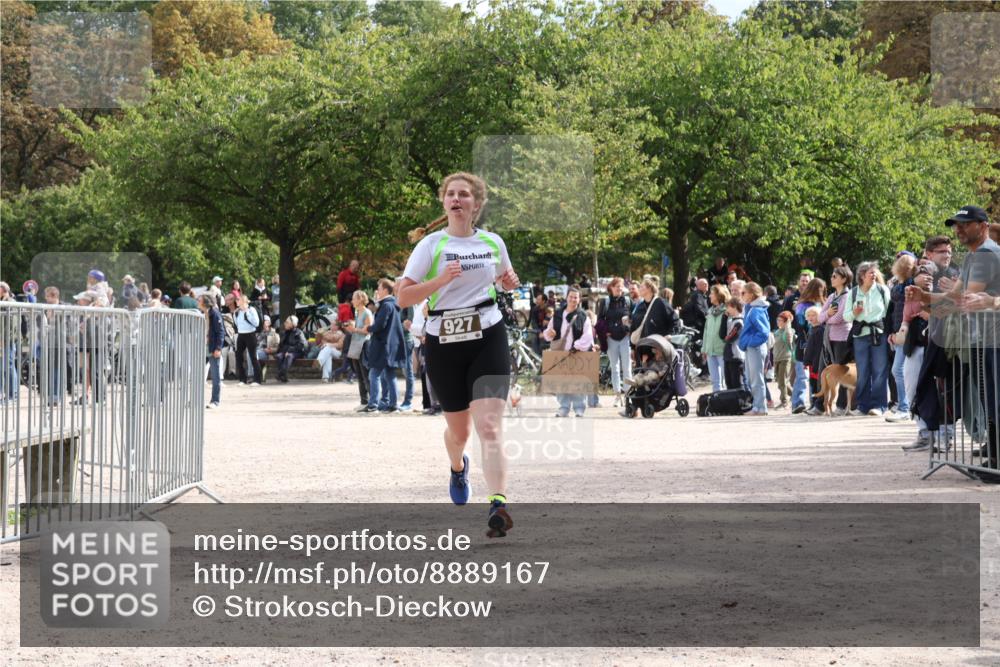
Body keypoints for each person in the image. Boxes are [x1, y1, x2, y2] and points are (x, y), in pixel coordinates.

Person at [397, 172, 519, 539]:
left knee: (489, 426)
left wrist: (509, 283)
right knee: (459, 431)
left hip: (487, 334)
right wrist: (441, 280)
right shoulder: (431, 245)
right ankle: (457, 466)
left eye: (464, 194)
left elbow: (505, 280)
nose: (456, 199)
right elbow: (404, 297)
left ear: (476, 204)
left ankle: (498, 505)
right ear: (444, 202)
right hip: (444, 340)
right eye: (450, 194)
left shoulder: (493, 242)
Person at [908, 206, 1000, 481]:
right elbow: (955, 298)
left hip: (993, 339)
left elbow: (962, 299)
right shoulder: (974, 256)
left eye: (965, 224)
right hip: (984, 339)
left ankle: (997, 463)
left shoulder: (985, 255)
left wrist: (932, 301)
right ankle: (995, 459)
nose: (958, 229)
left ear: (983, 226)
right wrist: (924, 297)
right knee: (990, 398)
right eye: (956, 225)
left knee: (995, 399)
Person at [843, 262, 890, 416]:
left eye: (875, 272)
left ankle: (879, 406)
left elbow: (889, 312)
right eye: (871, 272)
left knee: (880, 370)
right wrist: (855, 312)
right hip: (860, 336)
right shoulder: (853, 293)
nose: (874, 275)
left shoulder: (883, 290)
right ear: (862, 276)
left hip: (879, 334)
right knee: (862, 371)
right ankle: (862, 406)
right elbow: (846, 316)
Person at [543, 286, 594, 417]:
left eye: (575, 297)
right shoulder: (558, 314)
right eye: (571, 297)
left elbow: (588, 335)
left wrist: (577, 346)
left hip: (577, 352)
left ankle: (579, 408)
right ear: (566, 298)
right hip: (560, 353)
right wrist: (549, 333)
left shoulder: (583, 316)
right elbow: (548, 331)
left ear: (579, 299)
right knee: (562, 381)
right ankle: (563, 407)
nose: (573, 299)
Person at [365, 278, 407, 413]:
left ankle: (373, 404)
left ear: (385, 290)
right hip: (390, 345)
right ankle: (393, 405)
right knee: (390, 374)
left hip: (383, 345)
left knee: (374, 374)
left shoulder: (386, 305)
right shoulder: (392, 304)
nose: (377, 290)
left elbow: (379, 326)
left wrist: (368, 328)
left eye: (379, 288)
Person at [818, 265, 854, 414]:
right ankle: (821, 405)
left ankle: (842, 405)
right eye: (832, 276)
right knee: (825, 371)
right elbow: (820, 317)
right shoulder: (832, 297)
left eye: (835, 276)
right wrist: (827, 315)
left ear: (844, 279)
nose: (831, 278)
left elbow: (840, 318)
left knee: (842, 373)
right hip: (829, 339)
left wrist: (827, 317)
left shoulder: (848, 296)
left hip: (842, 339)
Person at [885, 253, 917, 422]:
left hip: (909, 332)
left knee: (898, 370)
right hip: (900, 332)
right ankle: (906, 407)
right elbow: (892, 313)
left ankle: (905, 407)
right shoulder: (899, 285)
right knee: (900, 370)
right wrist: (891, 332)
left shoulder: (910, 284)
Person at [790, 278, 826, 414]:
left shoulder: (822, 303)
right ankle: (798, 403)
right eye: (820, 289)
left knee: (815, 375)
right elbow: (802, 325)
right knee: (803, 375)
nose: (822, 292)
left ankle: (814, 403)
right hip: (805, 343)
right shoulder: (802, 306)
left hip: (818, 343)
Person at [738, 282, 771, 415]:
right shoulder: (751, 308)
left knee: (756, 379)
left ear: (751, 294)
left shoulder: (756, 310)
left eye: (743, 293)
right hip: (752, 348)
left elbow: (764, 332)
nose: (741, 295)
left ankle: (760, 407)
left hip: (755, 348)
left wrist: (750, 342)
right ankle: (757, 406)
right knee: (751, 378)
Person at [601, 277, 633, 406]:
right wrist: (605, 331)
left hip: (625, 338)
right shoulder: (605, 302)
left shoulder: (627, 301)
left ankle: (628, 395)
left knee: (627, 367)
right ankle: (617, 395)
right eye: (617, 286)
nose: (619, 288)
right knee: (614, 367)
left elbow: (634, 317)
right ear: (611, 288)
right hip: (611, 339)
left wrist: (630, 329)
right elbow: (600, 319)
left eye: (621, 286)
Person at [344, 290, 374, 408]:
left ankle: (372, 402)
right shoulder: (357, 312)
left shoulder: (367, 312)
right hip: (356, 344)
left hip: (364, 345)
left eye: (354, 298)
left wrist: (354, 329)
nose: (352, 301)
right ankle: (364, 401)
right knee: (359, 375)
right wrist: (352, 327)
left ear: (360, 299)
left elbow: (368, 330)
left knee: (365, 374)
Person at [702, 284, 730, 392]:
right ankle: (717, 398)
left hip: (722, 350)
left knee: (727, 379)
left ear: (719, 295)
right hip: (710, 351)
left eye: (712, 294)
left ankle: (728, 397)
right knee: (714, 381)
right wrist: (704, 349)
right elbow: (706, 331)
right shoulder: (710, 311)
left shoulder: (727, 311)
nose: (709, 296)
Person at [199, 295, 224, 409]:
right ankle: (196, 399)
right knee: (198, 374)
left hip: (212, 347)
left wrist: (218, 348)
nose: (198, 302)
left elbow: (220, 332)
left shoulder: (215, 313)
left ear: (205, 303)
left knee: (215, 375)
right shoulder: (202, 313)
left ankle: (215, 401)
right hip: (203, 347)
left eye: (199, 301)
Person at [233, 294, 262, 385]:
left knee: (253, 357)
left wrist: (247, 313)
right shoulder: (236, 312)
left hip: (250, 334)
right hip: (241, 335)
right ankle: (242, 379)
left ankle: (257, 380)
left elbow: (256, 323)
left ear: (243, 301)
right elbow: (237, 324)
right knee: (239, 357)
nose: (236, 302)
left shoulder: (251, 310)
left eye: (238, 300)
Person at [772, 311, 795, 409]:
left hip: (785, 359)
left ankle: (784, 402)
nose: (778, 322)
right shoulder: (777, 332)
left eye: (781, 320)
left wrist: (788, 324)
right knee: (779, 381)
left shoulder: (789, 331)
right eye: (777, 320)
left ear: (786, 322)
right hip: (776, 359)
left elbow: (789, 338)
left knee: (782, 381)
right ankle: (794, 395)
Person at [274, 315, 307, 383]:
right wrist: (281, 352)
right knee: (279, 356)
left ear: (293, 324)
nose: (285, 323)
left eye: (287, 322)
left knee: (289, 356)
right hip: (286, 351)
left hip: (297, 352)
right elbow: (281, 345)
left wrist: (289, 351)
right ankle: (283, 377)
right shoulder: (285, 333)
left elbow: (302, 345)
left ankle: (280, 374)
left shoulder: (299, 332)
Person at [722, 296, 745, 391]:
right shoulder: (730, 320)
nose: (727, 309)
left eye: (728, 307)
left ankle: (740, 400)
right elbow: (722, 335)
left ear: (734, 307)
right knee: (729, 384)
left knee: (736, 384)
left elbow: (729, 338)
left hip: (736, 356)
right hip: (727, 355)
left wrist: (726, 337)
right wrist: (724, 318)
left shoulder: (739, 322)